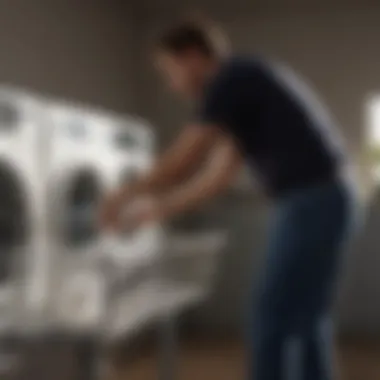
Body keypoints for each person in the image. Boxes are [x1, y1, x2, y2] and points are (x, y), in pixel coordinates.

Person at [100, 19, 360, 380]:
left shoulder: (232, 78)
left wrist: (120, 195)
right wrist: (160, 209)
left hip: (311, 199)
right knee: (304, 318)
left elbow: (184, 160)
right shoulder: (244, 86)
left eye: (168, 70)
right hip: (326, 197)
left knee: (270, 316)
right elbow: (216, 177)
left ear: (191, 57)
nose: (171, 85)